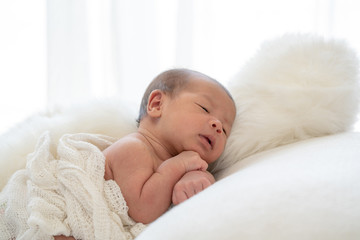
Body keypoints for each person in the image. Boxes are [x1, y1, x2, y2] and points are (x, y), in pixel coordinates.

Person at [55, 68, 236, 239]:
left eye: (226, 129)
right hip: (66, 224)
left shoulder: (184, 163)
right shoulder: (133, 148)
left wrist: (198, 176)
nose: (218, 126)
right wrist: (179, 165)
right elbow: (142, 210)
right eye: (204, 108)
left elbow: (204, 194)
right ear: (157, 104)